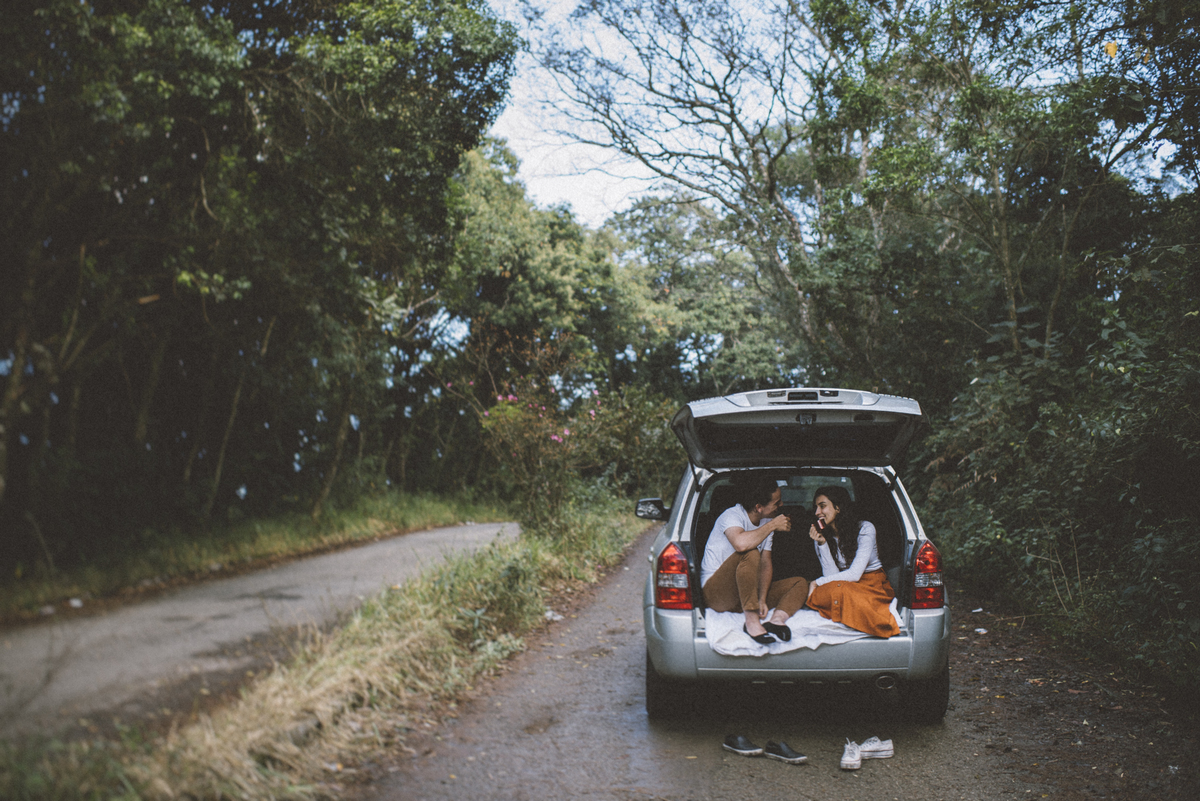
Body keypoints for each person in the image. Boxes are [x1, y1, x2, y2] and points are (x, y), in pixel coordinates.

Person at [700, 477, 810, 644]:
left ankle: (776, 621)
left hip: (745, 593)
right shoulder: (731, 516)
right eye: (777, 502)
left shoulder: (766, 521)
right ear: (759, 507)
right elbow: (741, 544)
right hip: (718, 595)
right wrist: (772, 526)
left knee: (800, 583)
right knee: (750, 552)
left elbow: (766, 564)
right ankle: (751, 622)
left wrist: (762, 599)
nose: (781, 506)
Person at [805, 485, 900, 638]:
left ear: (838, 507)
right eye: (816, 508)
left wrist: (817, 582)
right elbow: (833, 576)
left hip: (871, 585)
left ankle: (877, 621)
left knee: (825, 591)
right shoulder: (822, 535)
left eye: (822, 506)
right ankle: (847, 607)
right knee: (837, 589)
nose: (817, 513)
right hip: (844, 585)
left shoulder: (865, 528)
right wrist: (822, 544)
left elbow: (855, 574)